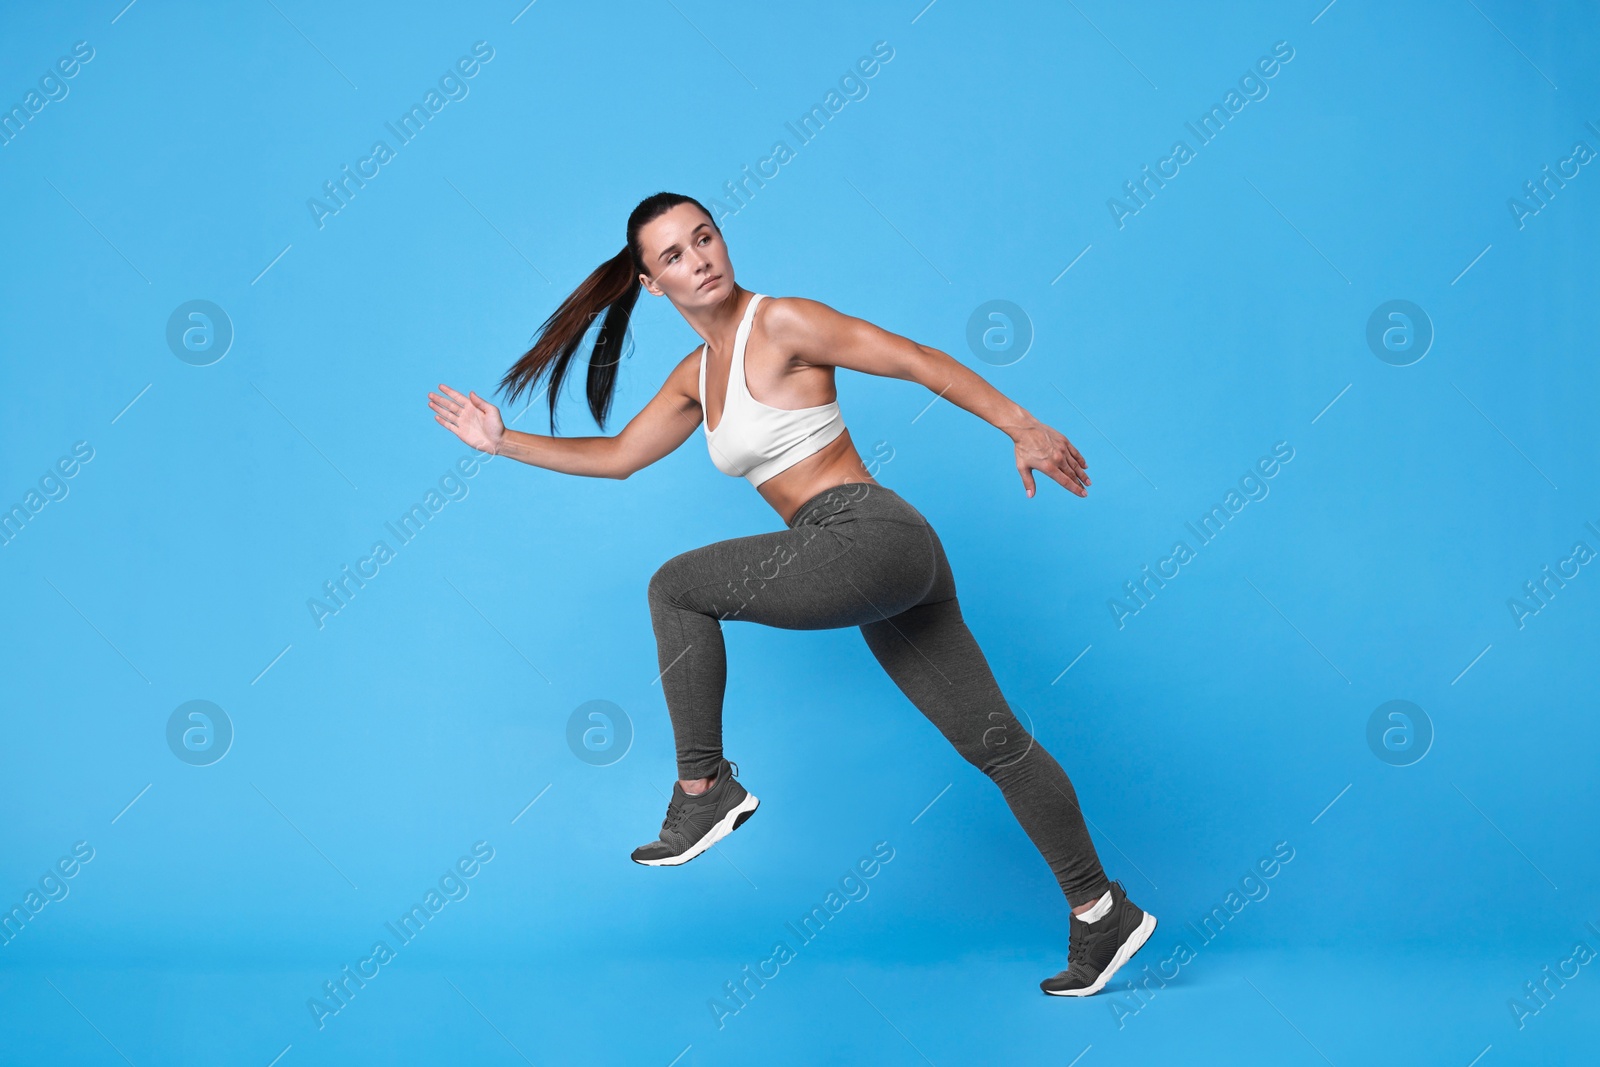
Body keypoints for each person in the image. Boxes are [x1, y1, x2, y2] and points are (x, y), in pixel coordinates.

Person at [427, 191, 1156, 996]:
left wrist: (1021, 424)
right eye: (674, 254)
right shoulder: (692, 377)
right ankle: (1101, 912)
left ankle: (703, 790)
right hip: (875, 559)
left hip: (867, 534)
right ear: (652, 283)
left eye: (704, 237)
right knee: (997, 745)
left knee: (675, 587)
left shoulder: (781, 324)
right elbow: (621, 456)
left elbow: (913, 357)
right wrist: (501, 444)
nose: (698, 257)